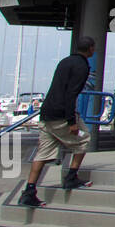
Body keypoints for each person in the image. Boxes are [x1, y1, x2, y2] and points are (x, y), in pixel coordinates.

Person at [18, 37, 96, 207]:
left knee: (43, 153)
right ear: (90, 48)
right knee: (84, 139)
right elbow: (71, 93)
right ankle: (71, 177)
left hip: (47, 112)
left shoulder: (65, 61)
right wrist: (71, 121)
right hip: (62, 114)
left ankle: (29, 191)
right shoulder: (82, 66)